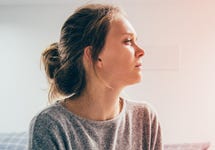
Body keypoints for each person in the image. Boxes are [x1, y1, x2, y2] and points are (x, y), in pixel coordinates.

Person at [28, 3, 162, 150]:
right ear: (94, 55)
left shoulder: (145, 118)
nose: (141, 51)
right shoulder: (50, 125)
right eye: (128, 41)